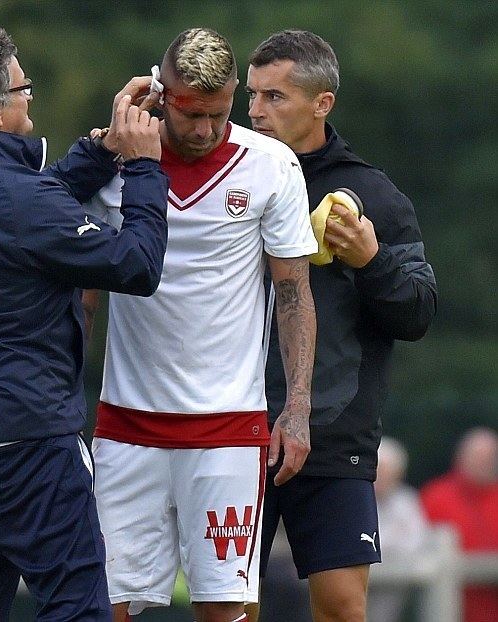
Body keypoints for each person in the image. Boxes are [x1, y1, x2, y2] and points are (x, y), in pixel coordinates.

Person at [0, 26, 168, 622]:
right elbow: (137, 264)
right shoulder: (20, 202)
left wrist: (99, 152)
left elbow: (25, 209)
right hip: (27, 447)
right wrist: (145, 167)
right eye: (25, 88)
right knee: (75, 609)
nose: (31, 98)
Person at [86, 27, 318, 622]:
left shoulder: (270, 164)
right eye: (189, 113)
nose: (202, 130)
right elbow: (78, 290)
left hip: (227, 431)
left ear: (234, 96)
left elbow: (293, 292)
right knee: (104, 605)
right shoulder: (109, 159)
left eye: (217, 114)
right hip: (125, 425)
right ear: (161, 95)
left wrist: (296, 409)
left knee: (226, 610)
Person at [244, 30, 437, 622]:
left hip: (332, 430)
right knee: (227, 605)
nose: (254, 111)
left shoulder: (373, 194)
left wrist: (370, 261)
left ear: (321, 103)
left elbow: (418, 313)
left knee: (341, 606)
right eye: (251, 96)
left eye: (275, 97)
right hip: (231, 420)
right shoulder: (227, 179)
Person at [420, 427, 498, 622]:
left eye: (489, 457)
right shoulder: (435, 496)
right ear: (460, 457)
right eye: (477, 456)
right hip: (449, 606)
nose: (483, 463)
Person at [369, 437, 430, 622]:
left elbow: (416, 541)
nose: (382, 476)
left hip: (394, 583)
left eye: (388, 471)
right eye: (379, 470)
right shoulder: (351, 500)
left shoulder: (407, 501)